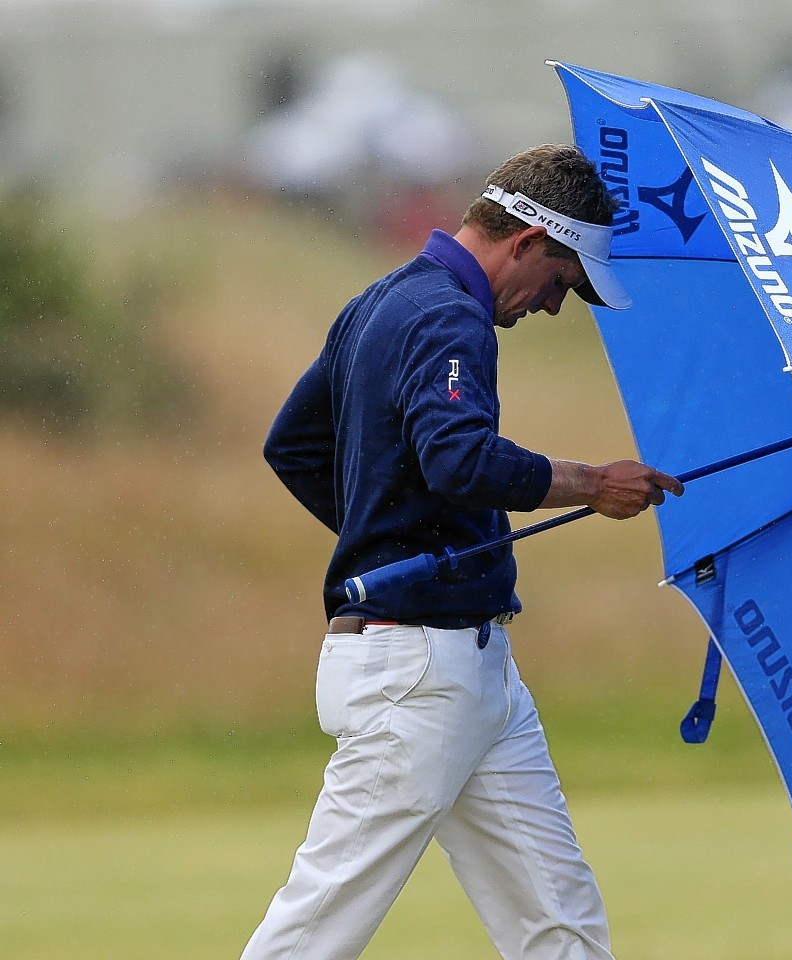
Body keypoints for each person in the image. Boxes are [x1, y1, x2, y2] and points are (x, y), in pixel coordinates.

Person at [243, 143, 683, 960]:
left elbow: (294, 447)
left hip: (471, 673)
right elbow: (459, 459)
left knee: (560, 925)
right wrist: (590, 482)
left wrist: (400, 538)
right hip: (416, 677)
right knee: (313, 933)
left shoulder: (385, 298)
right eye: (561, 283)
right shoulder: (450, 316)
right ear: (525, 242)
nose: (554, 307)